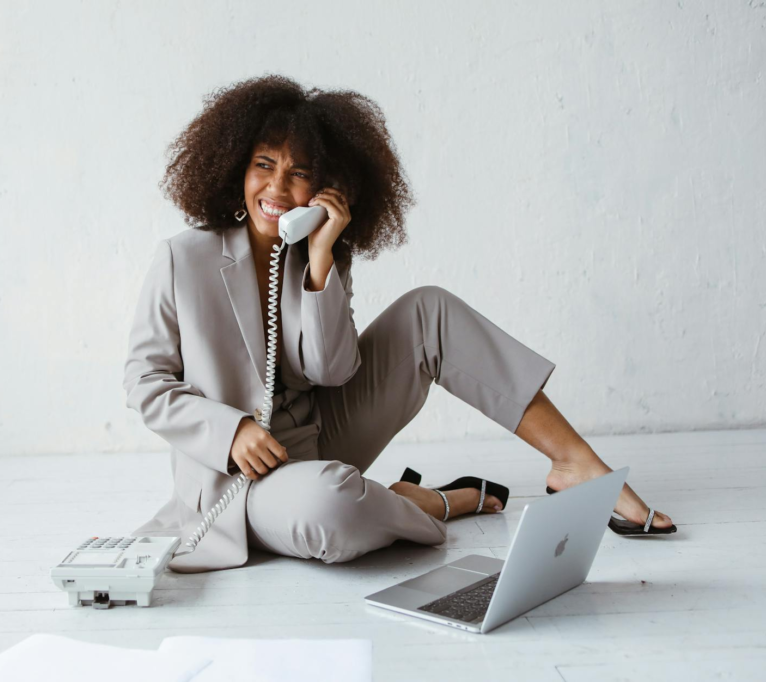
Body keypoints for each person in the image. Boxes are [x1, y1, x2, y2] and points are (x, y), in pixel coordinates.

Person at [123, 74, 675, 574]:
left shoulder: (318, 251)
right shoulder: (183, 258)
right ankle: (430, 502)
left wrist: (320, 260)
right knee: (327, 507)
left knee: (428, 309)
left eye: (298, 174)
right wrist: (231, 431)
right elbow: (144, 383)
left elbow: (333, 370)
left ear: (321, 190)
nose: (276, 188)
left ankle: (576, 465)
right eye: (264, 165)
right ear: (238, 166)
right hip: (246, 481)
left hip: (321, 437)